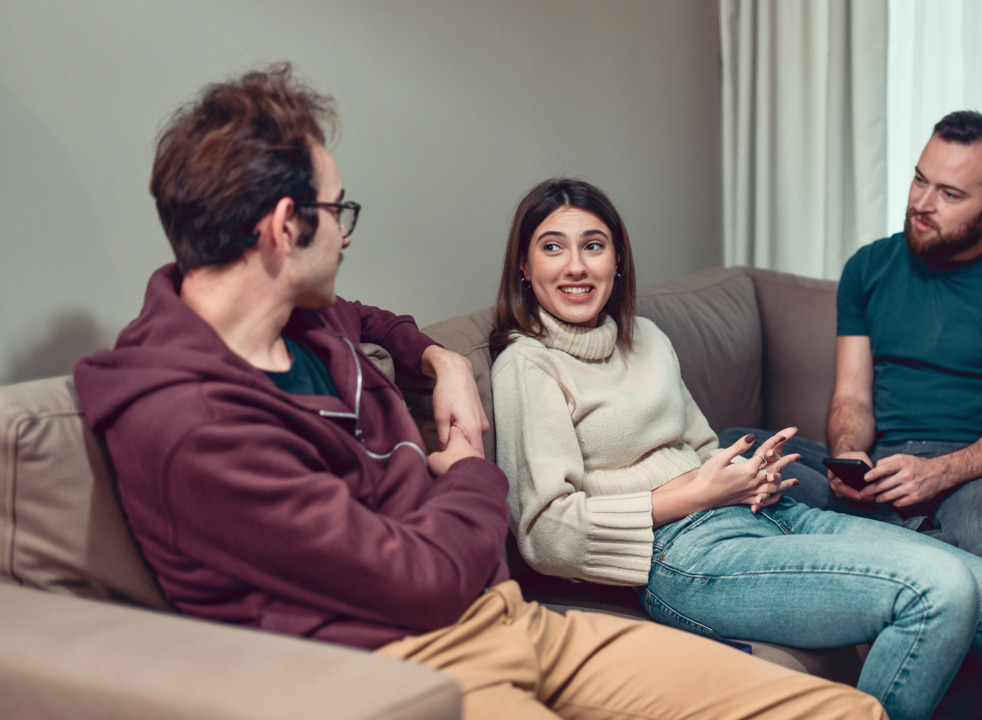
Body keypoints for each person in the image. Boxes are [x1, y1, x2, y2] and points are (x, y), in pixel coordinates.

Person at [72, 63, 885, 720]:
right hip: (405, 665)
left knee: (841, 714)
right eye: (336, 208)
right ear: (285, 227)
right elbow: (417, 578)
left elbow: (373, 319)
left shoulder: (304, 321)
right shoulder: (190, 422)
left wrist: (441, 361)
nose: (347, 232)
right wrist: (468, 464)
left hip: (511, 622)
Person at [490, 178, 982, 720]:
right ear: (524, 264)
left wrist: (749, 478)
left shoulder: (645, 338)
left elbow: (700, 449)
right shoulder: (527, 365)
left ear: (617, 260)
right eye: (552, 247)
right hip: (682, 558)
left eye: (593, 245)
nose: (576, 266)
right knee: (939, 590)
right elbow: (546, 534)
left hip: (765, 515)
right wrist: (693, 493)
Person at [725, 110, 982, 580]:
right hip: (882, 465)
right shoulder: (869, 267)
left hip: (978, 471)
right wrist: (848, 454)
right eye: (919, 180)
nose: (922, 204)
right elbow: (852, 394)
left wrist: (941, 471)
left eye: (949, 194)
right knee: (733, 451)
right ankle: (911, 539)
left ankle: (882, 544)